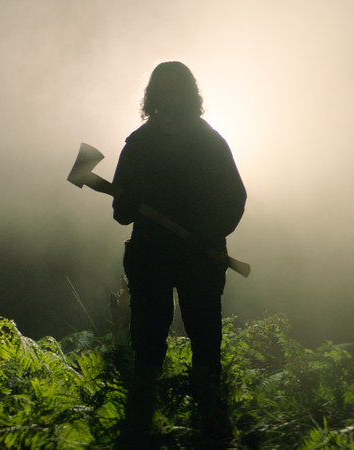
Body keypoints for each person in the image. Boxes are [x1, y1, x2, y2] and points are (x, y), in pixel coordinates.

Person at [112, 61, 246, 446]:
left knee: (205, 342)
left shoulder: (210, 143)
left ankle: (212, 428)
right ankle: (141, 429)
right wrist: (130, 202)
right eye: (162, 90)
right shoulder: (138, 145)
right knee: (148, 345)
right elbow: (121, 213)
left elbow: (234, 198)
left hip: (199, 258)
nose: (168, 97)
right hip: (150, 257)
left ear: (188, 95)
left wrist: (209, 233)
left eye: (176, 89)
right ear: (153, 96)